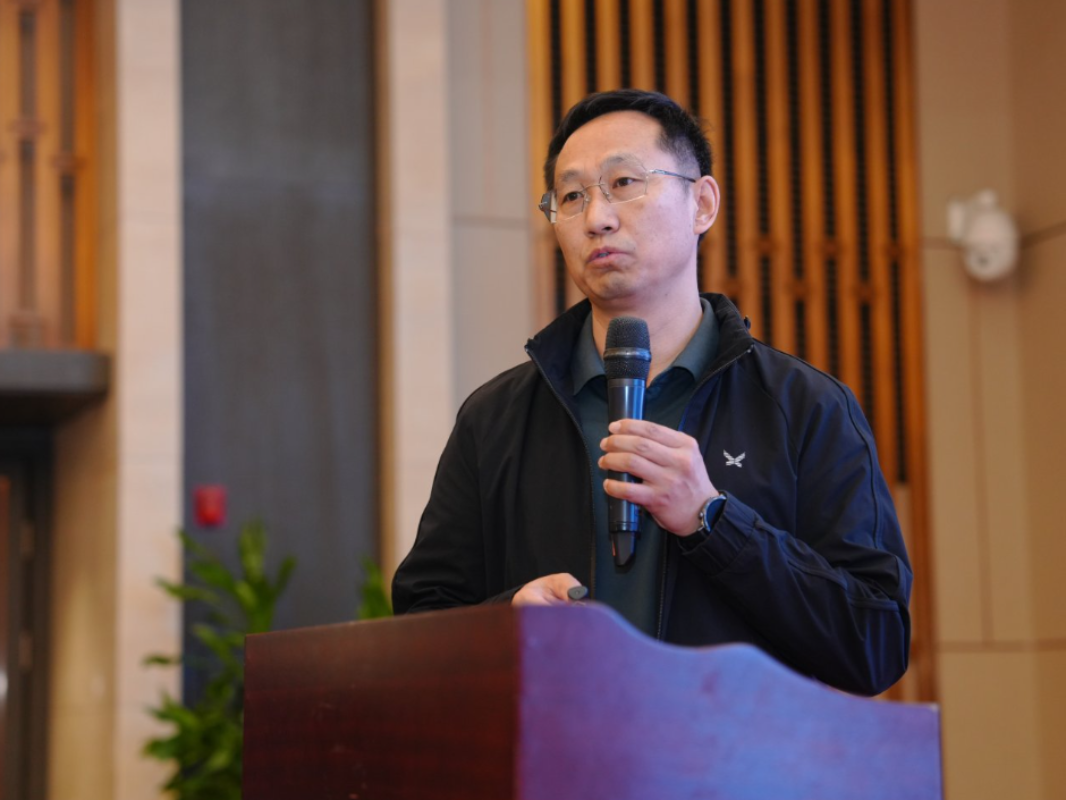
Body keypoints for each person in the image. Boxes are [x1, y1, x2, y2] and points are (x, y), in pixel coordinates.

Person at [391, 89, 911, 696]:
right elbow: (420, 629)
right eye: (571, 196)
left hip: (731, 754)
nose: (597, 218)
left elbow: (875, 643)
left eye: (624, 183)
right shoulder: (495, 419)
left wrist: (713, 521)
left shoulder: (805, 408)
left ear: (702, 204)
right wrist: (505, 623)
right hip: (557, 753)